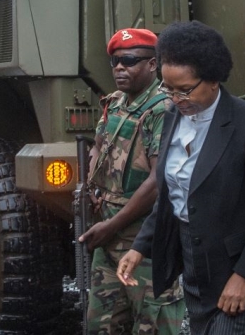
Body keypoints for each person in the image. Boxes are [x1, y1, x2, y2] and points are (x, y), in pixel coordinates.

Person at [117, 21, 245, 335]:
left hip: (240, 275)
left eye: (185, 89)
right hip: (194, 273)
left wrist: (244, 276)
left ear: (214, 79)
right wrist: (139, 248)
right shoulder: (172, 117)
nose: (176, 98)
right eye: (168, 88)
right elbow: (172, 196)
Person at [78, 28, 185, 334]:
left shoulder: (162, 108)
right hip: (108, 237)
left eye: (129, 60)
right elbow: (98, 144)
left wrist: (110, 226)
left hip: (143, 243)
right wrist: (93, 187)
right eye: (115, 62)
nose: (119, 68)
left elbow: (157, 181)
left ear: (153, 64)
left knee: (154, 324)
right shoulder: (116, 102)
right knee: (102, 324)